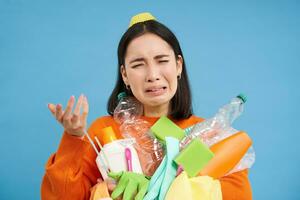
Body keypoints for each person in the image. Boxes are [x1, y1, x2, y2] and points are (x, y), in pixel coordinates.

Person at [41, 12, 252, 200]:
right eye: (138, 64)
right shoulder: (104, 132)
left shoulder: (209, 136)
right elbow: (62, 197)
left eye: (162, 61)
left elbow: (238, 195)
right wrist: (73, 137)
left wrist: (149, 188)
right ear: (125, 74)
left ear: (178, 65)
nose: (152, 75)